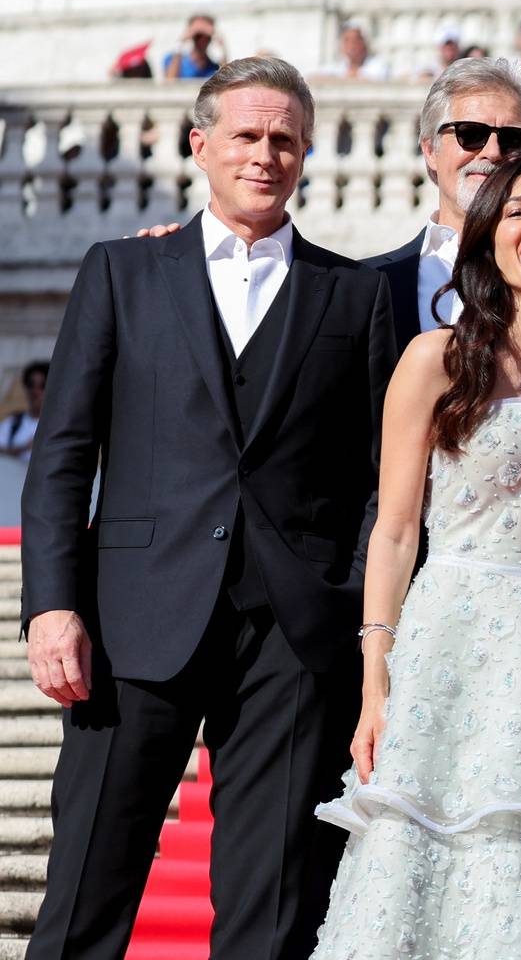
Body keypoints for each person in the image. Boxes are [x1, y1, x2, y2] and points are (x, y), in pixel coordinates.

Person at [20, 56, 397, 959]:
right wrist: (52, 604)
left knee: (273, 917)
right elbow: (64, 452)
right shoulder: (120, 272)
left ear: (306, 153)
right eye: (247, 135)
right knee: (83, 894)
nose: (266, 155)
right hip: (131, 621)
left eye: (285, 140)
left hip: (296, 640)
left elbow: (385, 473)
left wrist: (345, 598)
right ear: (201, 145)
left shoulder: (356, 293)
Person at [310, 153, 521, 958]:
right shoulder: (432, 360)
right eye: (517, 211)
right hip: (443, 639)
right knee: (410, 856)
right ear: (486, 243)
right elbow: (394, 530)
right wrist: (376, 673)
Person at [362, 59, 521, 352]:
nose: (492, 152)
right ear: (430, 150)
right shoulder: (364, 287)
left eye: (512, 139)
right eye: (470, 134)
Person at [313, 19, 391, 81]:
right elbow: (313, 77)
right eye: (346, 40)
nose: (351, 46)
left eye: (355, 40)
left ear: (365, 42)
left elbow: (377, 79)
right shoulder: (338, 66)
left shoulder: (379, 65)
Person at [1, 361, 46, 463]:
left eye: (42, 385)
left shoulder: (57, 426)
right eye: (31, 384)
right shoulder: (13, 422)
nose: (35, 391)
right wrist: (24, 448)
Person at [162, 13, 223, 80]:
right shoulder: (172, 59)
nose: (202, 39)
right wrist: (181, 42)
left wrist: (220, 42)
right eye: (198, 36)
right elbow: (169, 81)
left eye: (206, 36)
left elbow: (226, 79)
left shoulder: (214, 68)